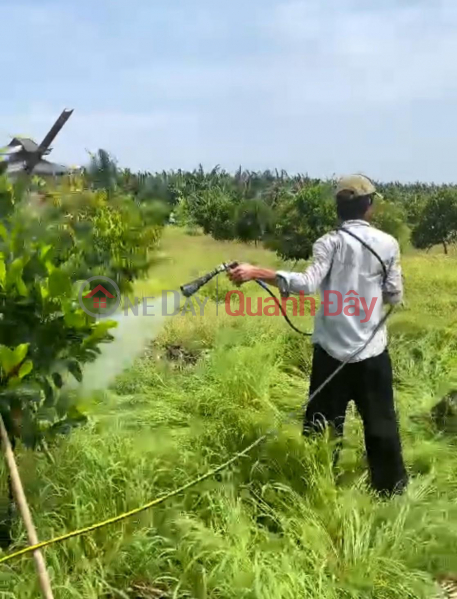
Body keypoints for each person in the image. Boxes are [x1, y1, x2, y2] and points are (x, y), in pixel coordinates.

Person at [227, 174, 408, 497]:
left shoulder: (328, 243)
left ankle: (316, 489)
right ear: (369, 207)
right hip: (373, 354)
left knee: (321, 430)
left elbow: (307, 284)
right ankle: (391, 492)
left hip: (330, 354)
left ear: (339, 208)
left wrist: (257, 272)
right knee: (382, 427)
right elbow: (394, 295)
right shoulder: (388, 244)